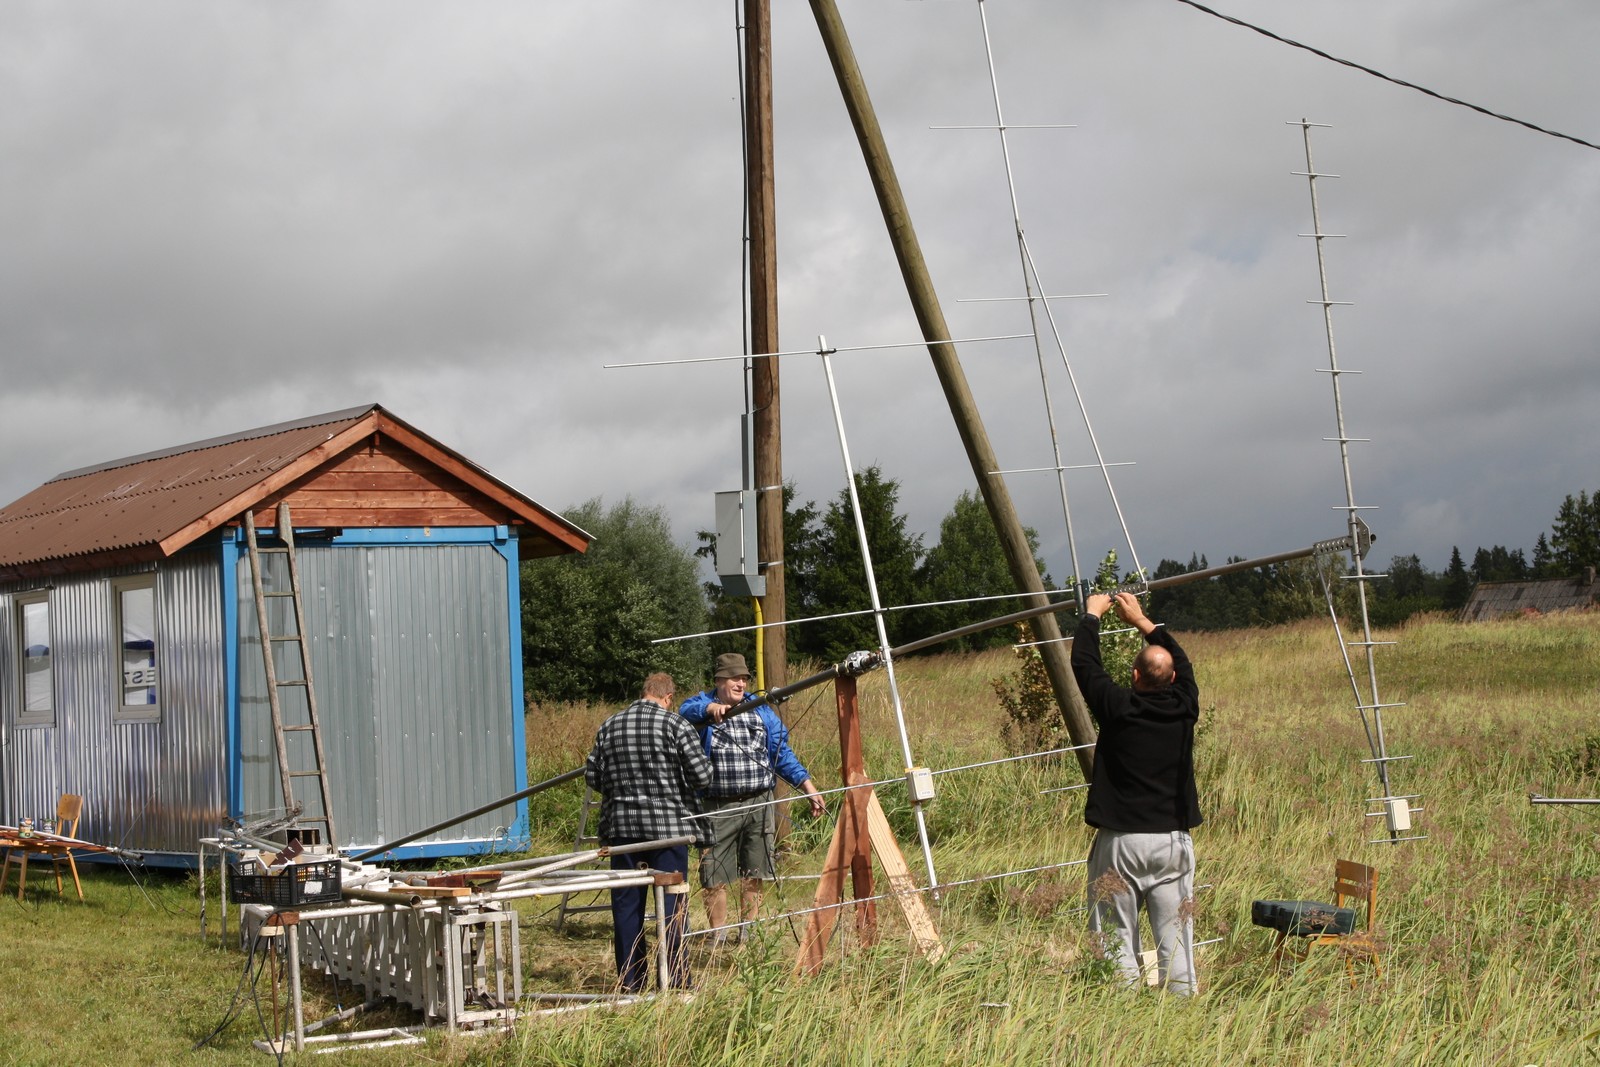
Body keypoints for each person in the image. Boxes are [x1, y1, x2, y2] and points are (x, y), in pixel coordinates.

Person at [1071, 591, 1202, 994]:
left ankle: (1121, 1008)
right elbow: (1182, 661)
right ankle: (1182, 1008)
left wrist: (1092, 616)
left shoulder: (1117, 706)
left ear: (1134, 676)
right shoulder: (1185, 707)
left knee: (1115, 935)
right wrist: (1142, 621)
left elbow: (1085, 666)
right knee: (1175, 936)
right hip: (1172, 842)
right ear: (1174, 680)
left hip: (1122, 841)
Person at [679, 652, 826, 942]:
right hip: (717, 805)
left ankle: (747, 932)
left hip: (758, 802)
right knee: (713, 873)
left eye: (744, 678)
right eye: (734, 678)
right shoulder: (702, 705)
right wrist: (710, 709)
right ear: (719, 680)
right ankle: (718, 935)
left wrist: (808, 787)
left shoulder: (760, 711)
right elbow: (684, 712)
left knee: (755, 870)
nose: (741, 683)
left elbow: (782, 754)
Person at [584, 672, 712, 992]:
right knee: (672, 908)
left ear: (644, 692)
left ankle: (631, 984)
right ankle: (676, 981)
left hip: (623, 831)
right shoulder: (676, 725)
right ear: (668, 698)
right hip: (668, 831)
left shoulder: (610, 725)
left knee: (627, 909)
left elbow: (592, 776)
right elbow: (702, 776)